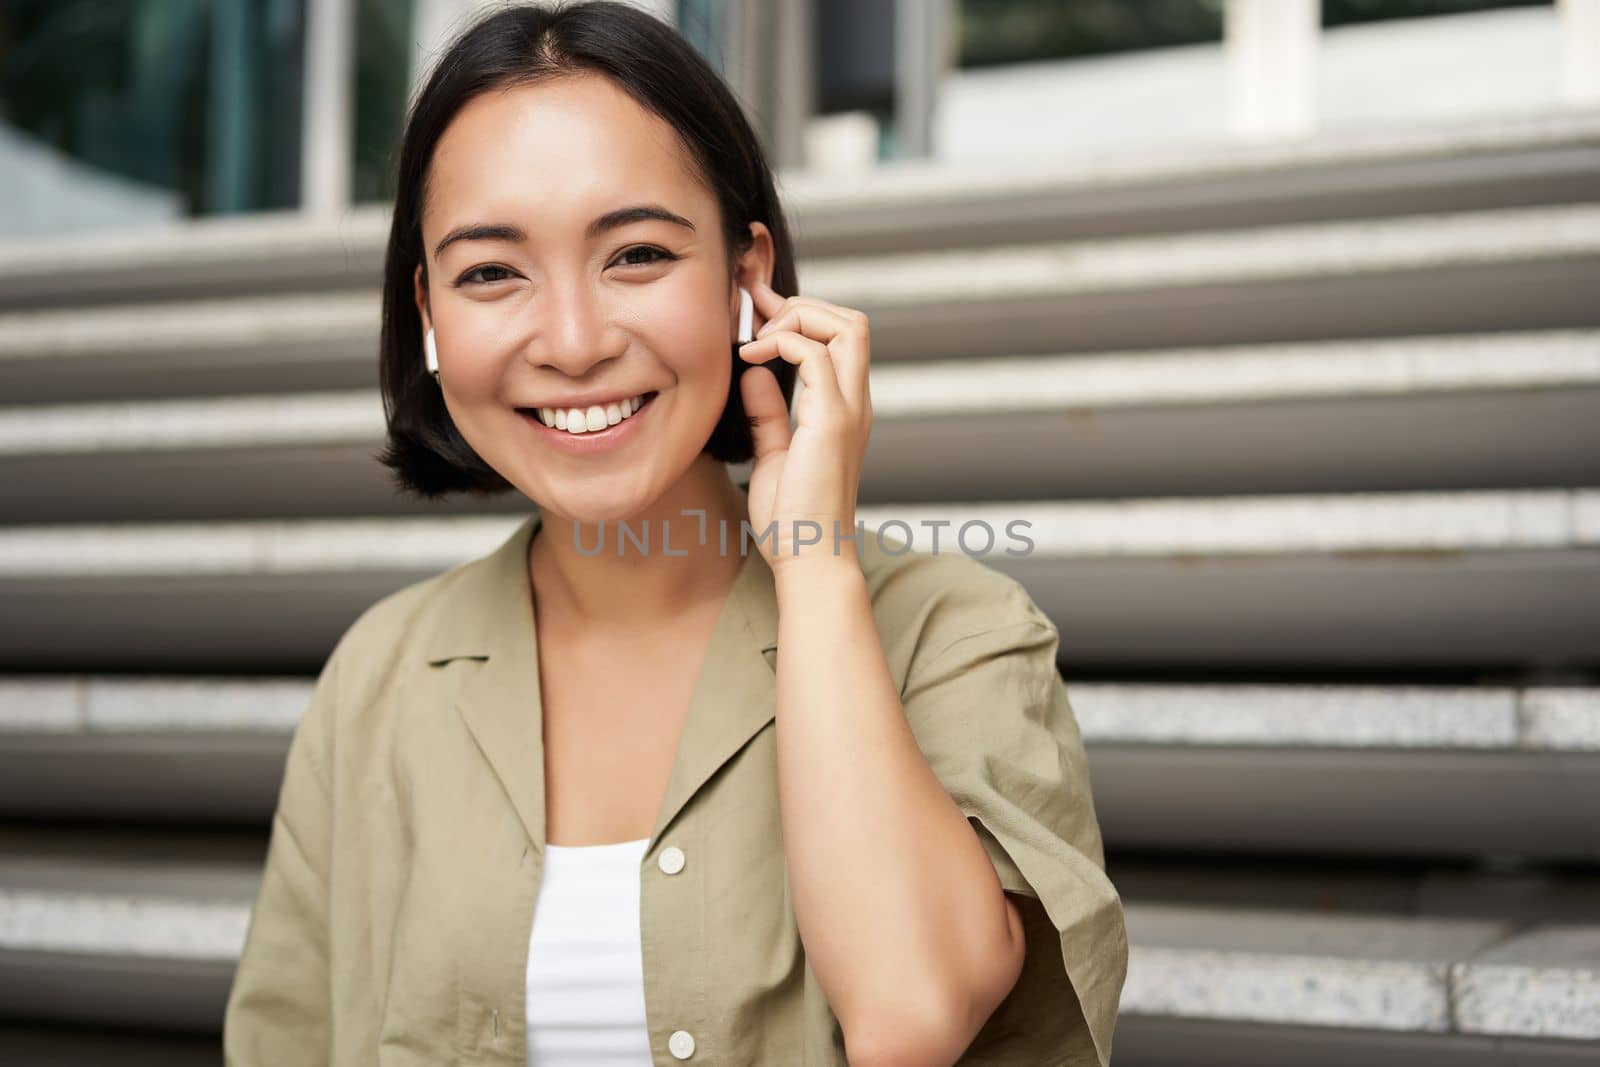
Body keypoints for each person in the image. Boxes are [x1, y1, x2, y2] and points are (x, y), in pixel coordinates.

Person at [222, 3, 1126, 1065]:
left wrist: (814, 562)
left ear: (749, 278)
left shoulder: (954, 630)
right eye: (490, 272)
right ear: (427, 311)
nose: (571, 341)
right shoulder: (380, 675)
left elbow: (911, 1015)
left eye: (637, 253)